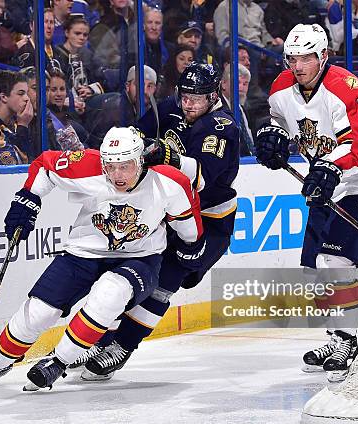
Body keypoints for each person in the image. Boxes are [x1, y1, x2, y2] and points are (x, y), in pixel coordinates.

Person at [0, 126, 205, 389]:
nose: (116, 175)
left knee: (110, 294)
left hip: (140, 258)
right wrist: (28, 198)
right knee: (39, 312)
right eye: (110, 167)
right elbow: (46, 165)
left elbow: (189, 229)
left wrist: (191, 251)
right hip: (83, 252)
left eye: (124, 166)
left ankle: (58, 362)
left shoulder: (169, 182)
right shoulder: (89, 166)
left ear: (140, 159)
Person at [76, 63, 240, 381]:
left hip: (207, 222)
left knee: (162, 285)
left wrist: (166, 154)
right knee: (125, 277)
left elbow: (201, 178)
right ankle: (101, 342)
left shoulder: (221, 126)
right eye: (185, 96)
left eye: (198, 98)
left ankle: (122, 346)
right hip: (166, 216)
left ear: (215, 94)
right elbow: (136, 133)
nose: (189, 104)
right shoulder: (170, 108)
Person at [254, 24, 358, 382]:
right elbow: (279, 123)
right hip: (326, 185)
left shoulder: (346, 88)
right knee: (314, 272)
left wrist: (331, 165)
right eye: (293, 58)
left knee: (334, 261)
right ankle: (335, 337)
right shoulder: (281, 87)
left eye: (306, 57)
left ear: (323, 57)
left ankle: (347, 342)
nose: (298, 65)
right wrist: (272, 137)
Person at [84, 65, 157, 148]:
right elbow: (99, 147)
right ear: (127, 86)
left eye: (150, 86)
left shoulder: (154, 111)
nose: (144, 90)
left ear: (155, 89)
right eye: (138, 84)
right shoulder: (113, 110)